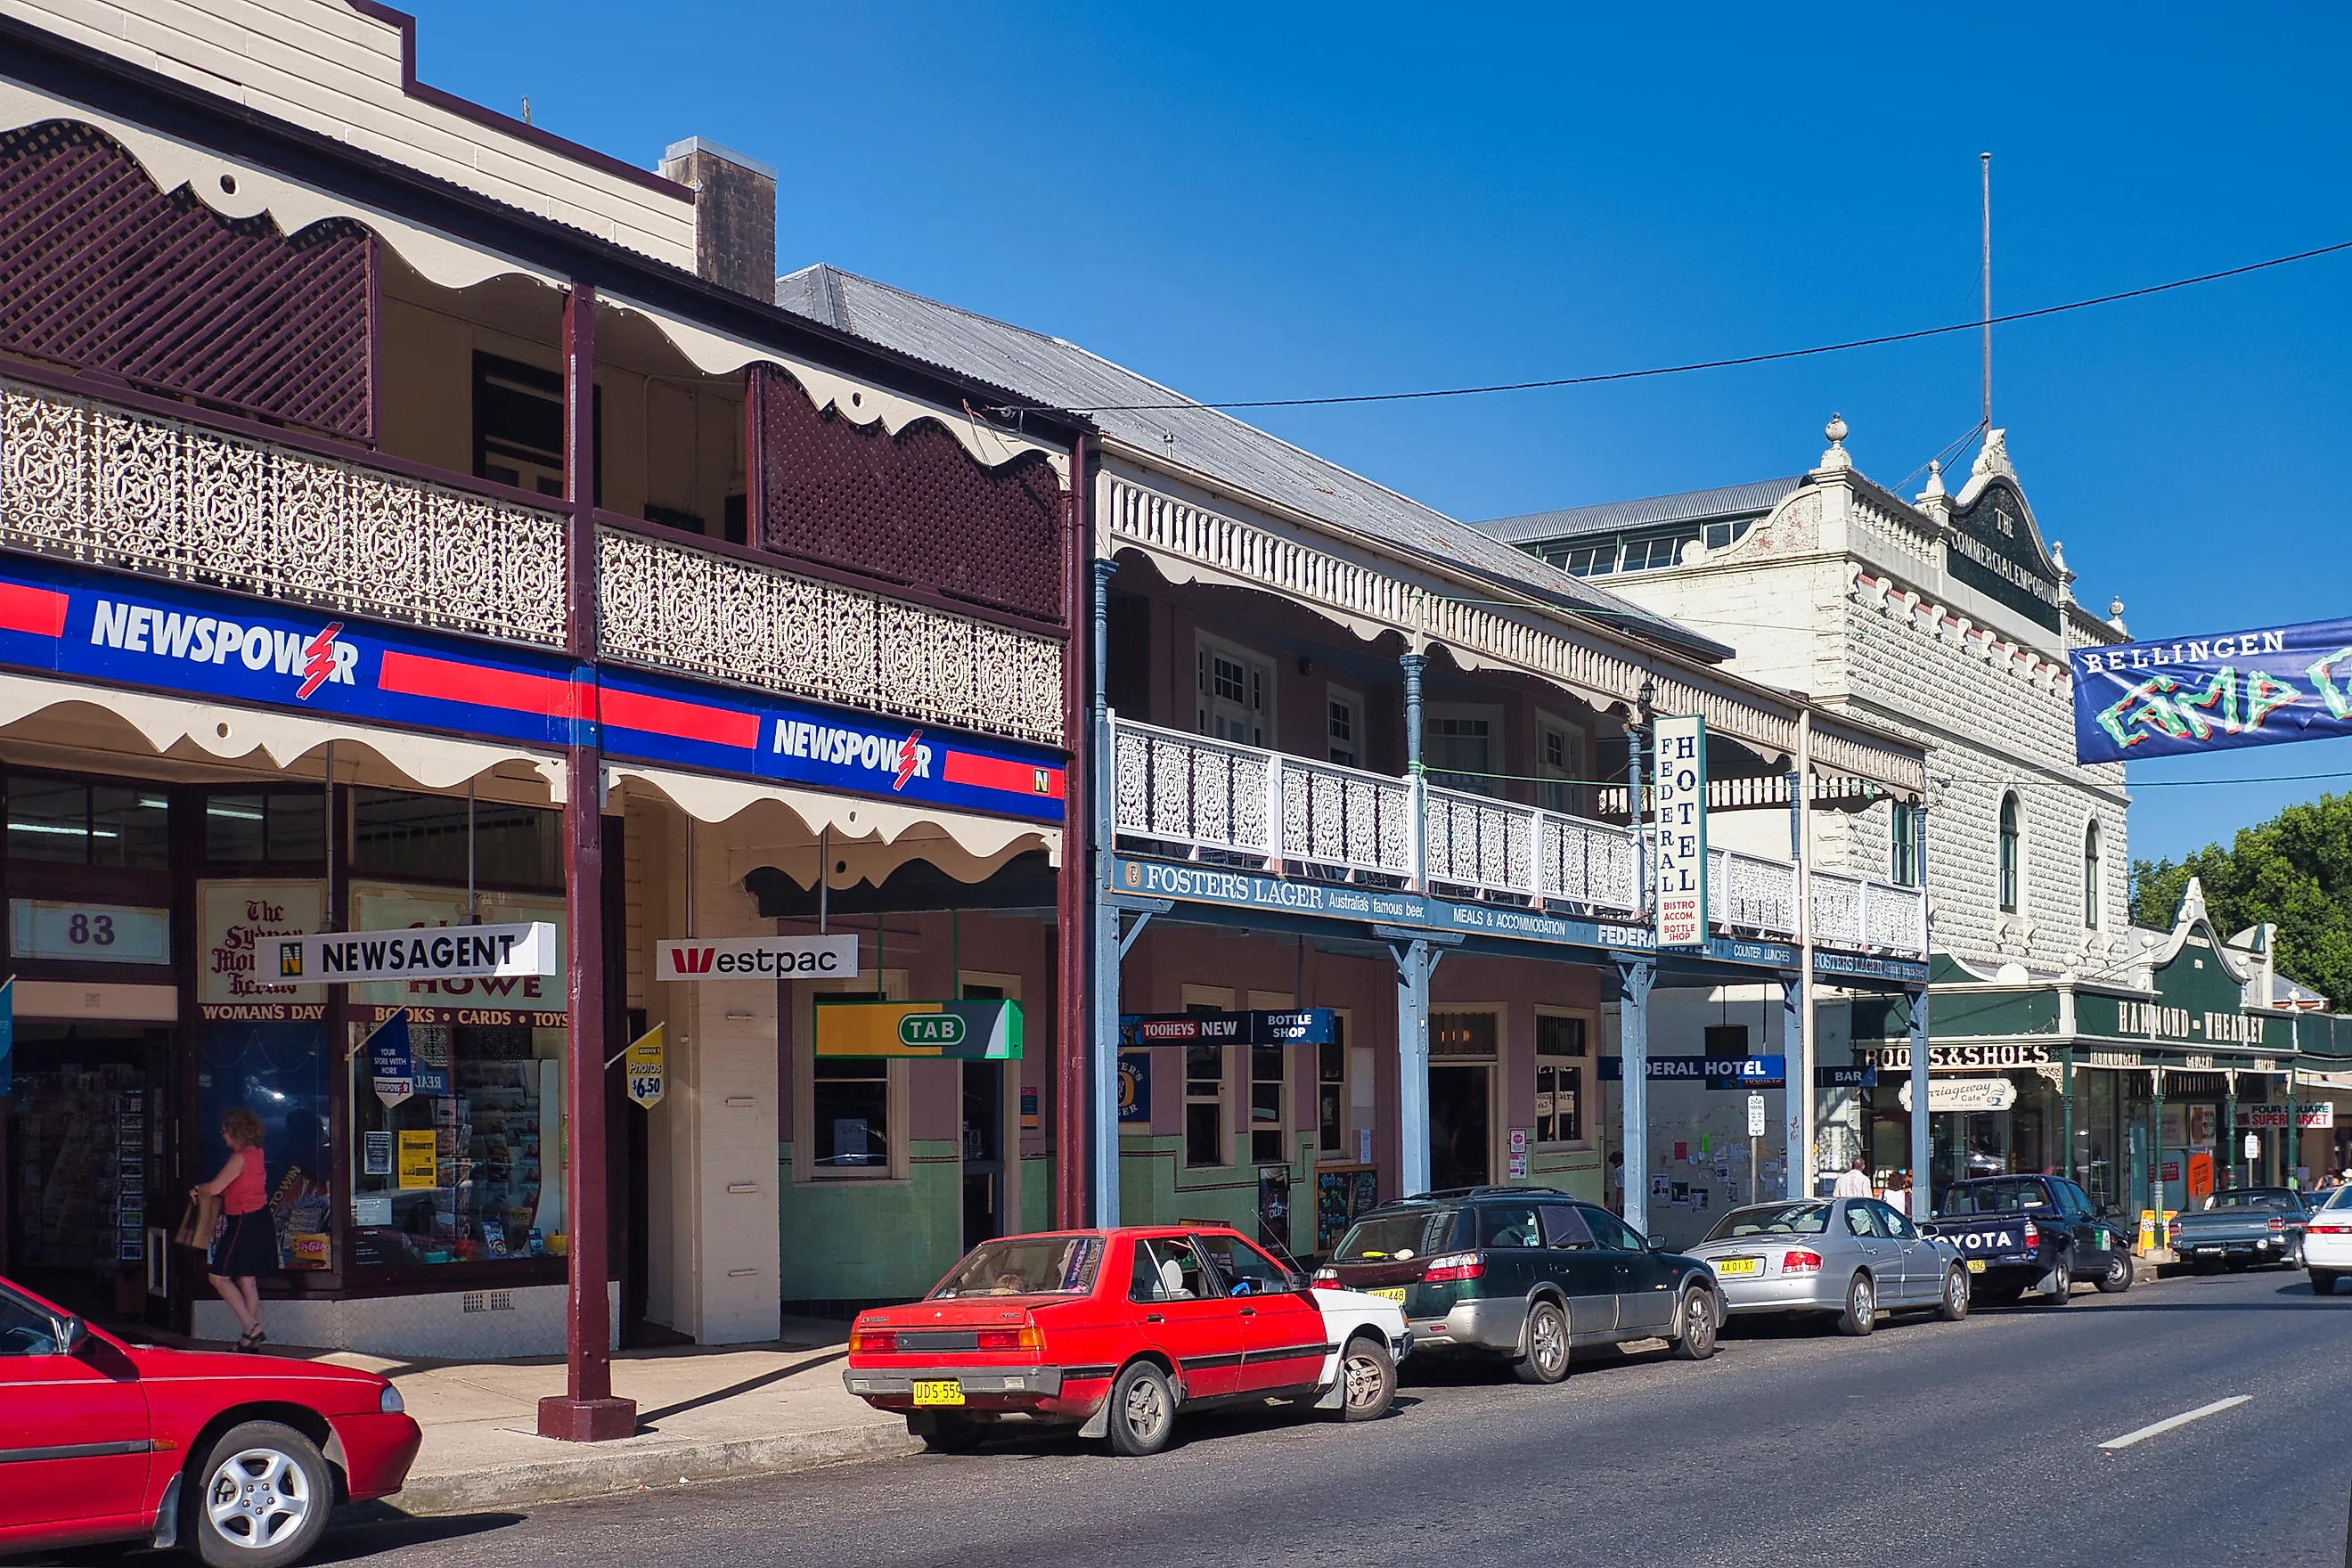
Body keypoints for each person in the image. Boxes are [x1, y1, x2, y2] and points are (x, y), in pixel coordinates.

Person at [193, 1107, 275, 1352]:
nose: (222, 1135)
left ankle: (252, 1326)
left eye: (225, 1130)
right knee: (247, 1280)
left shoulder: (239, 1157)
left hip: (243, 1221)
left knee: (218, 1276)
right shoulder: (257, 1153)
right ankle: (247, 1341)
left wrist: (198, 1189)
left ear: (235, 1131)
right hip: (260, 1219)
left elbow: (216, 1187)